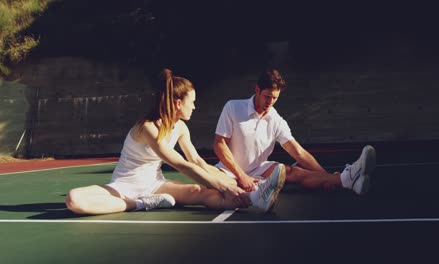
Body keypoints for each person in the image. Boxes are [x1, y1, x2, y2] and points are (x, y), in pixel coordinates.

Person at [65, 69, 285, 215]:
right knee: (74, 200)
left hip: (156, 184)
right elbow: (180, 164)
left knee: (206, 193)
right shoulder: (148, 128)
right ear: (178, 103)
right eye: (193, 102)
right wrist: (221, 184)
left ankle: (255, 198)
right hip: (124, 185)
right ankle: (140, 204)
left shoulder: (180, 128)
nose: (195, 107)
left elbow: (197, 161)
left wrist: (236, 182)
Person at [213, 68, 376, 194]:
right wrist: (241, 176)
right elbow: (219, 145)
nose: (270, 102)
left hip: (258, 170)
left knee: (293, 172)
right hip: (228, 172)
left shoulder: (275, 119)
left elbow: (298, 152)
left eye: (275, 98)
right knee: (224, 188)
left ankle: (346, 179)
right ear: (257, 90)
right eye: (267, 96)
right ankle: (349, 177)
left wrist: (327, 178)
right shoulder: (233, 107)